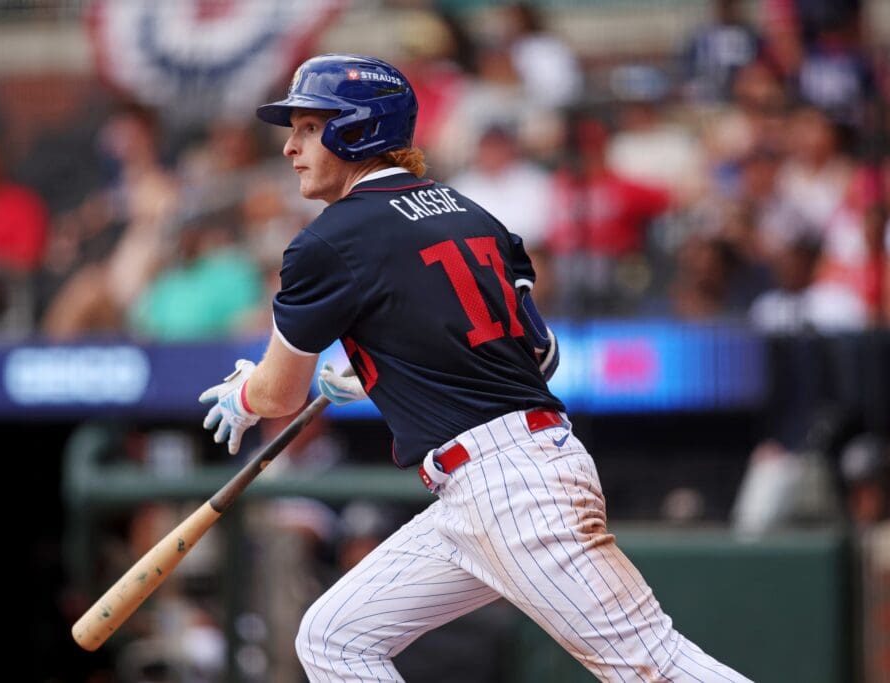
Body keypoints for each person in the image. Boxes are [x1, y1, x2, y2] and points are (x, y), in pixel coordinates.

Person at [199, 54, 750, 682]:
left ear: (357, 130)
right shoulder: (471, 211)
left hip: (509, 488)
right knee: (334, 637)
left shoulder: (328, 240)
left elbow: (280, 394)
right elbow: (540, 353)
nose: (291, 147)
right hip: (494, 480)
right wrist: (396, 358)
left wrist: (246, 393)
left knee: (653, 665)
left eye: (307, 126)